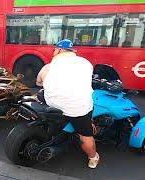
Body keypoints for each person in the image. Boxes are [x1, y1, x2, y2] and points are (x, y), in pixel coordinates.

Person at [37, 39, 99, 169]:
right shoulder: (86, 63)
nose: (53, 52)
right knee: (85, 136)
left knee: (42, 93)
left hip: (53, 104)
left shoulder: (48, 67)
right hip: (77, 109)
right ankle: (93, 158)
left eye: (54, 49)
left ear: (59, 50)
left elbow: (38, 83)